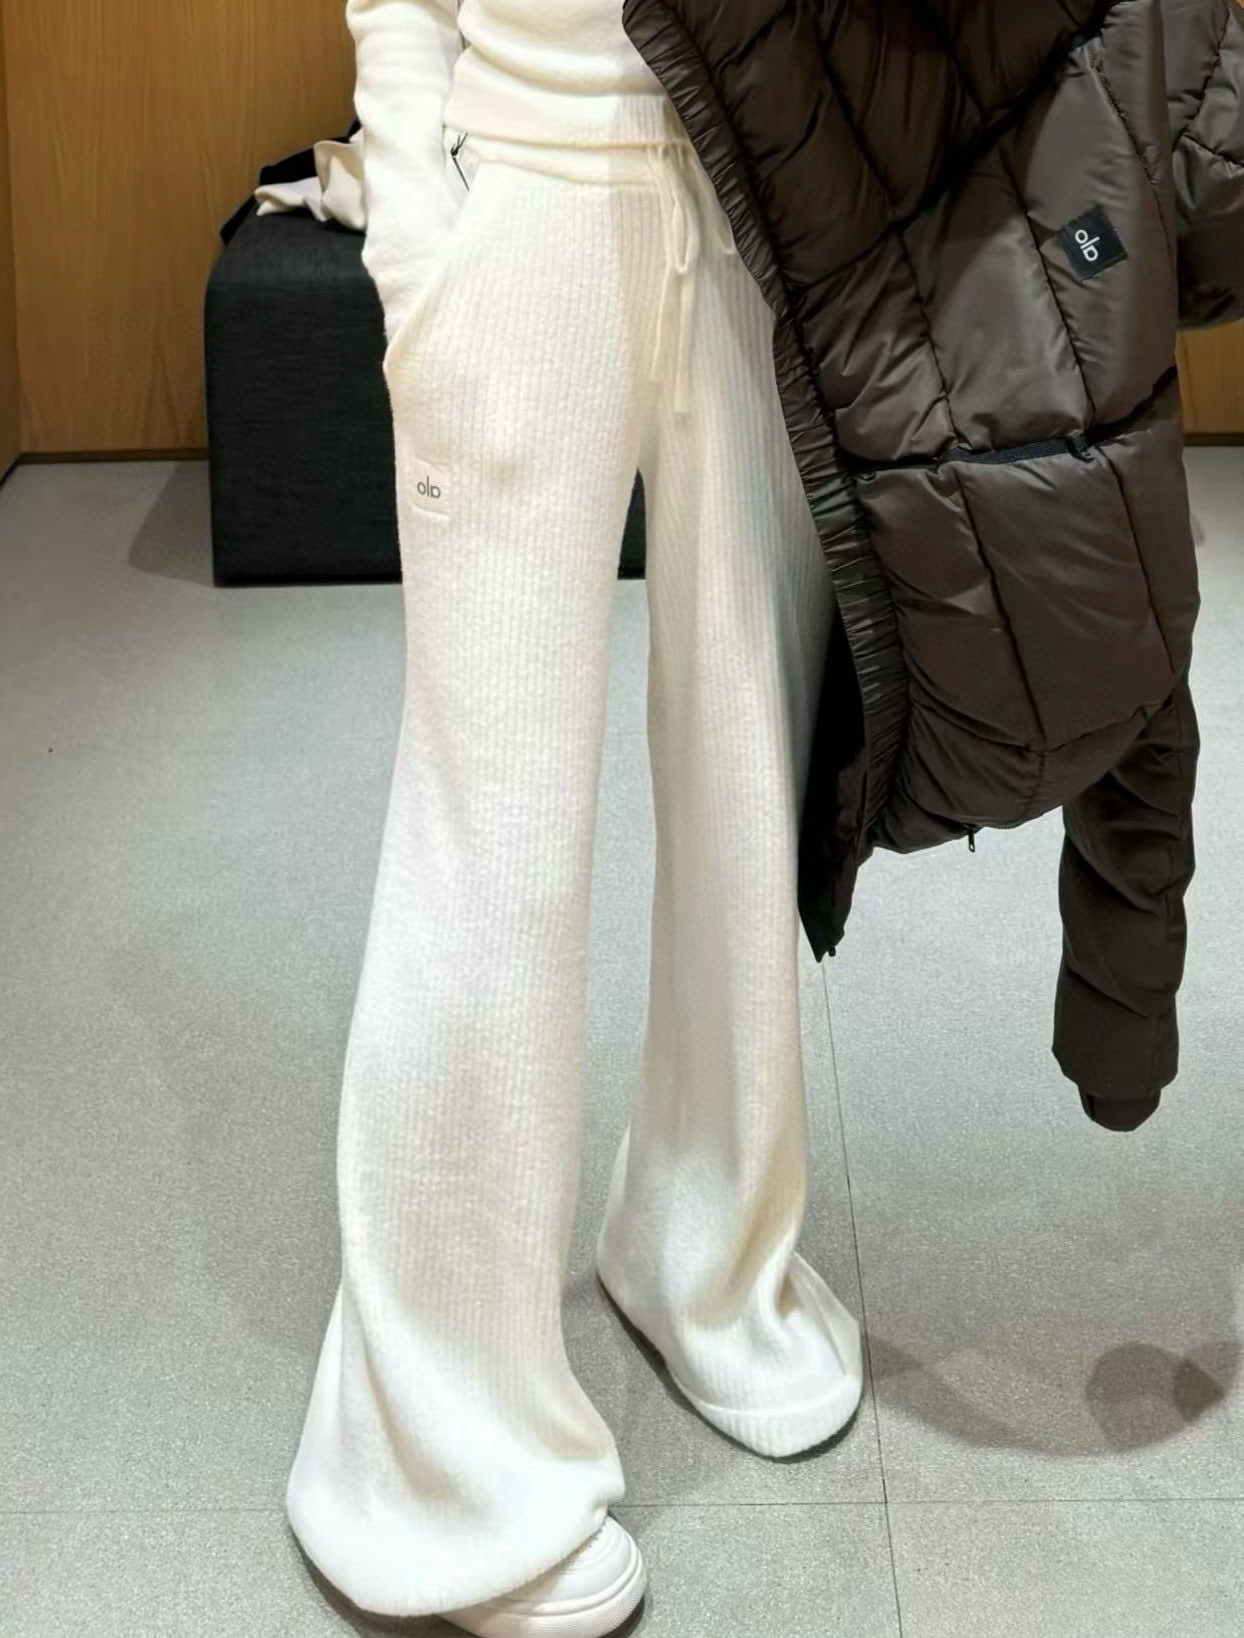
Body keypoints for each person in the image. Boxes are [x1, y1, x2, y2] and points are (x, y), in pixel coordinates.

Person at [284, 1, 863, 1634]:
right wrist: (416, 212)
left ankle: (706, 1251)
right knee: (497, 842)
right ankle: (436, 1443)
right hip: (526, 181)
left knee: (750, 795)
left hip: (761, 190)